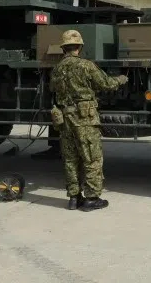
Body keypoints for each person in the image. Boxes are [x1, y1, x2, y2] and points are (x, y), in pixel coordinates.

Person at [49, 30, 127, 211]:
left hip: (65, 119)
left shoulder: (58, 68)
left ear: (63, 48)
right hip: (84, 119)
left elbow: (53, 87)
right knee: (91, 157)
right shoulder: (85, 65)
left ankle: (74, 198)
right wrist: (121, 79)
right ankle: (92, 199)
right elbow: (107, 84)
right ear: (79, 47)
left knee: (70, 159)